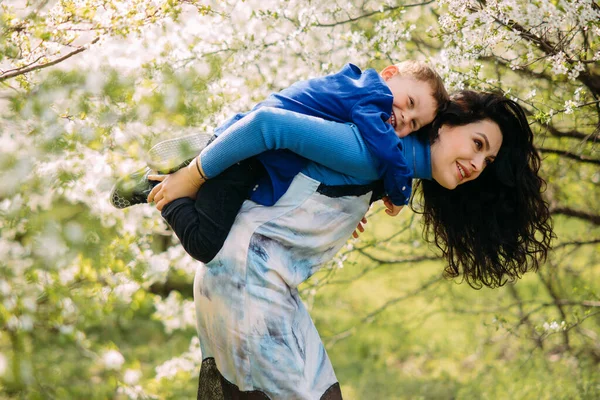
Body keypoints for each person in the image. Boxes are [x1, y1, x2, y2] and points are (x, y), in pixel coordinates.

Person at [147, 91, 553, 399]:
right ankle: (163, 180)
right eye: (478, 145)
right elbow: (268, 125)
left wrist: (331, 212)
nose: (478, 166)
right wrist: (191, 178)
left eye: (488, 162)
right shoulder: (369, 153)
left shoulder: (390, 171)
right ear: (446, 124)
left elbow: (288, 177)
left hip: (257, 286)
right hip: (246, 287)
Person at [111, 61, 448, 216]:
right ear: (390, 75)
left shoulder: (363, 92)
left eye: (414, 125)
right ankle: (162, 185)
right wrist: (400, 187)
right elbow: (386, 150)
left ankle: (163, 176)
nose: (404, 118)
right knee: (217, 191)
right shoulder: (371, 96)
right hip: (267, 133)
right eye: (410, 103)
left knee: (220, 188)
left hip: (270, 123)